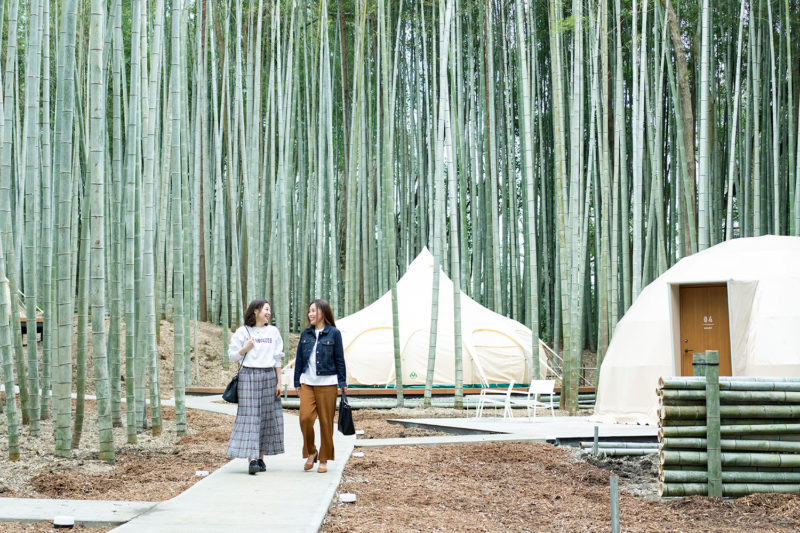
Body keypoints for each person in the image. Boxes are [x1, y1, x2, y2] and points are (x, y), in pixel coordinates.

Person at [227, 299, 285, 475]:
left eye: (269, 310)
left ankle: (260, 458)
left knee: (266, 417)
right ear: (256, 311)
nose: (269, 313)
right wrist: (245, 348)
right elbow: (232, 356)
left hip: (269, 376)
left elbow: (277, 358)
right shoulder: (242, 331)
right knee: (250, 417)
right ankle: (251, 459)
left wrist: (279, 382)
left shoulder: (273, 331)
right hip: (248, 376)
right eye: (266, 309)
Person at [294, 299, 347, 473]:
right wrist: (296, 382)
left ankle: (323, 458)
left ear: (323, 312)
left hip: (328, 383)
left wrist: (342, 381)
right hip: (307, 383)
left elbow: (339, 359)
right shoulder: (306, 334)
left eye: (313, 311)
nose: (310, 314)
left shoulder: (334, 333)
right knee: (305, 419)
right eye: (309, 311)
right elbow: (299, 359)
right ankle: (312, 451)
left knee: (326, 423)